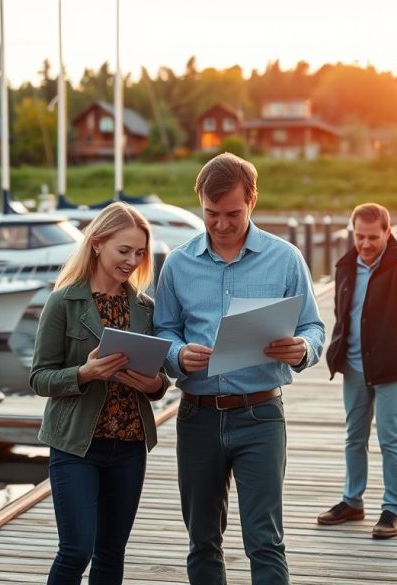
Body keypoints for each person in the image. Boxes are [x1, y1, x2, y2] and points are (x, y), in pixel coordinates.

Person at [154, 153, 325, 585]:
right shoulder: (177, 263)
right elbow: (164, 330)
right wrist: (176, 355)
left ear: (252, 201)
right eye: (211, 214)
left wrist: (302, 348)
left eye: (232, 213)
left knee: (265, 541)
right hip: (197, 417)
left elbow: (314, 326)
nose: (221, 224)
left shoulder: (285, 259)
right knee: (203, 541)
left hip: (261, 416)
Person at [30, 202, 171, 585]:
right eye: (123, 250)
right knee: (76, 549)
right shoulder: (64, 302)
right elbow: (39, 377)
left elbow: (160, 380)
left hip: (129, 444)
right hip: (76, 445)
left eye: (139, 253)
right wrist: (84, 373)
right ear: (96, 244)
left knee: (111, 554)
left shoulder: (146, 309)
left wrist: (154, 385)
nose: (132, 260)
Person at [316, 202, 397, 539]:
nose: (366, 244)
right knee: (354, 436)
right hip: (353, 365)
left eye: (373, 237)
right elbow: (343, 314)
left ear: (387, 233)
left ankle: (394, 509)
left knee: (389, 437)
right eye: (360, 236)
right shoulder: (346, 265)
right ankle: (352, 502)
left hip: (392, 366)